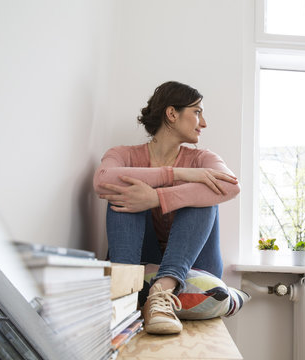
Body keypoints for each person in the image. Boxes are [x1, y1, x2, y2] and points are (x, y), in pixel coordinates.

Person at [93, 81, 240, 335]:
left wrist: (156, 198)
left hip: (194, 264)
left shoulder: (202, 159)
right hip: (141, 258)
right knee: (123, 191)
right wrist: (175, 174)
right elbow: (102, 180)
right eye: (197, 112)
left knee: (206, 193)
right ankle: (123, 296)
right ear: (172, 114)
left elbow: (231, 187)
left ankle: (161, 292)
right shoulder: (123, 154)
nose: (203, 123)